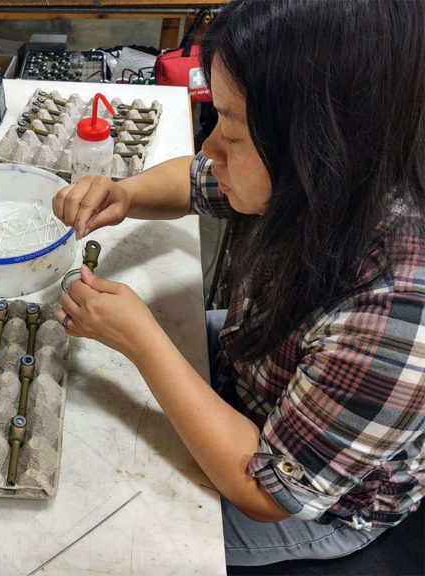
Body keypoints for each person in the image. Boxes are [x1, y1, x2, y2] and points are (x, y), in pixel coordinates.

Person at [53, 0, 425, 566]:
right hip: (260, 366)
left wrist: (143, 342)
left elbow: (267, 491)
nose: (210, 150)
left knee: (123, 533)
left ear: (316, 144)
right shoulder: (318, 179)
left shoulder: (397, 315)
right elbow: (193, 179)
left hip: (320, 502)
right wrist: (125, 193)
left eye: (230, 132)